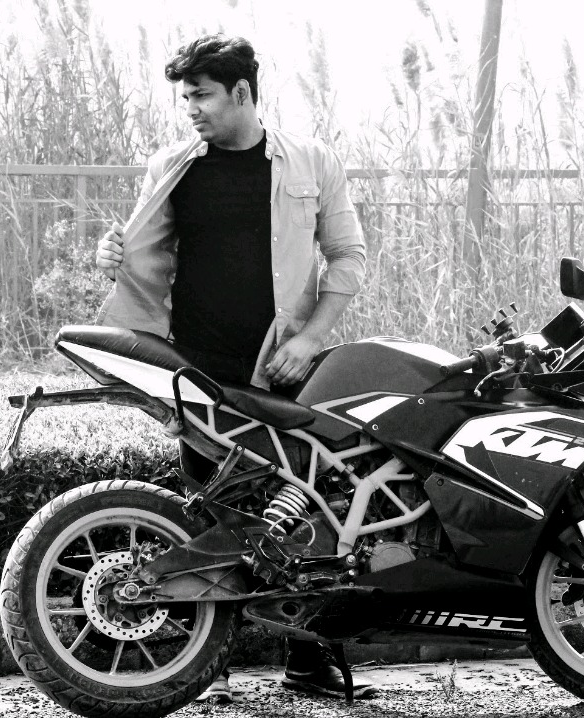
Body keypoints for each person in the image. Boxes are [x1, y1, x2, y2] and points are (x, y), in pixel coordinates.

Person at [94, 34, 374, 703]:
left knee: (304, 506)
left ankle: (307, 661)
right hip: (198, 367)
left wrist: (311, 339)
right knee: (208, 513)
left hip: (284, 366)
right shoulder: (171, 166)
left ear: (242, 92)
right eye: (185, 97)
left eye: (201, 95)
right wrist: (113, 256)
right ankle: (204, 668)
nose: (190, 109)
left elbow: (348, 256)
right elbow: (145, 255)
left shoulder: (313, 160)